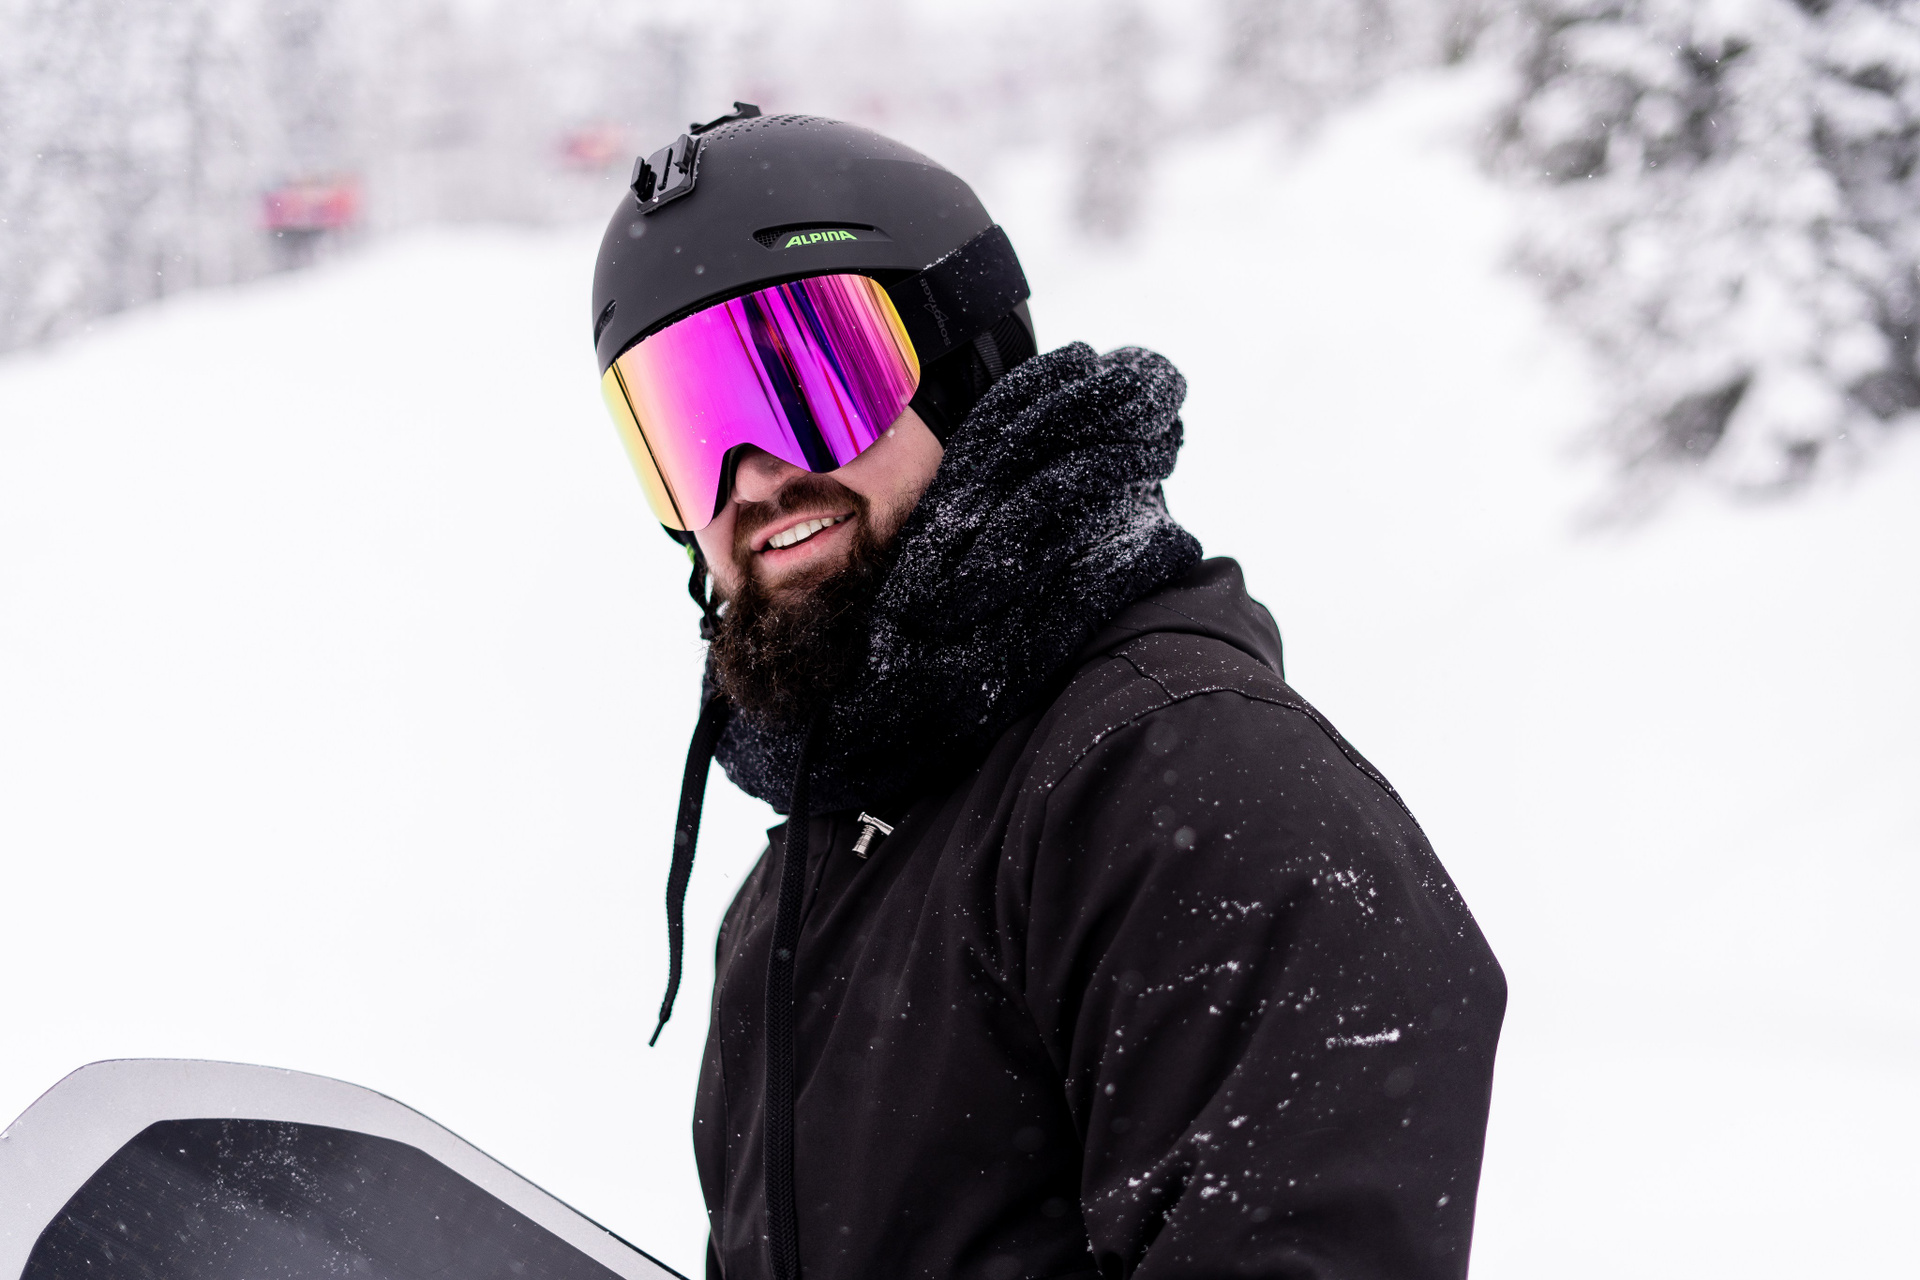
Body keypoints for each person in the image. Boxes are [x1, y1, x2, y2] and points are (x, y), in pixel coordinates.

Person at [591, 105, 1505, 1280]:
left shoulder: (1193, 792)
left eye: (807, 382)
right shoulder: (801, 888)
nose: (752, 478)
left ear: (967, 373)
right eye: (684, 432)